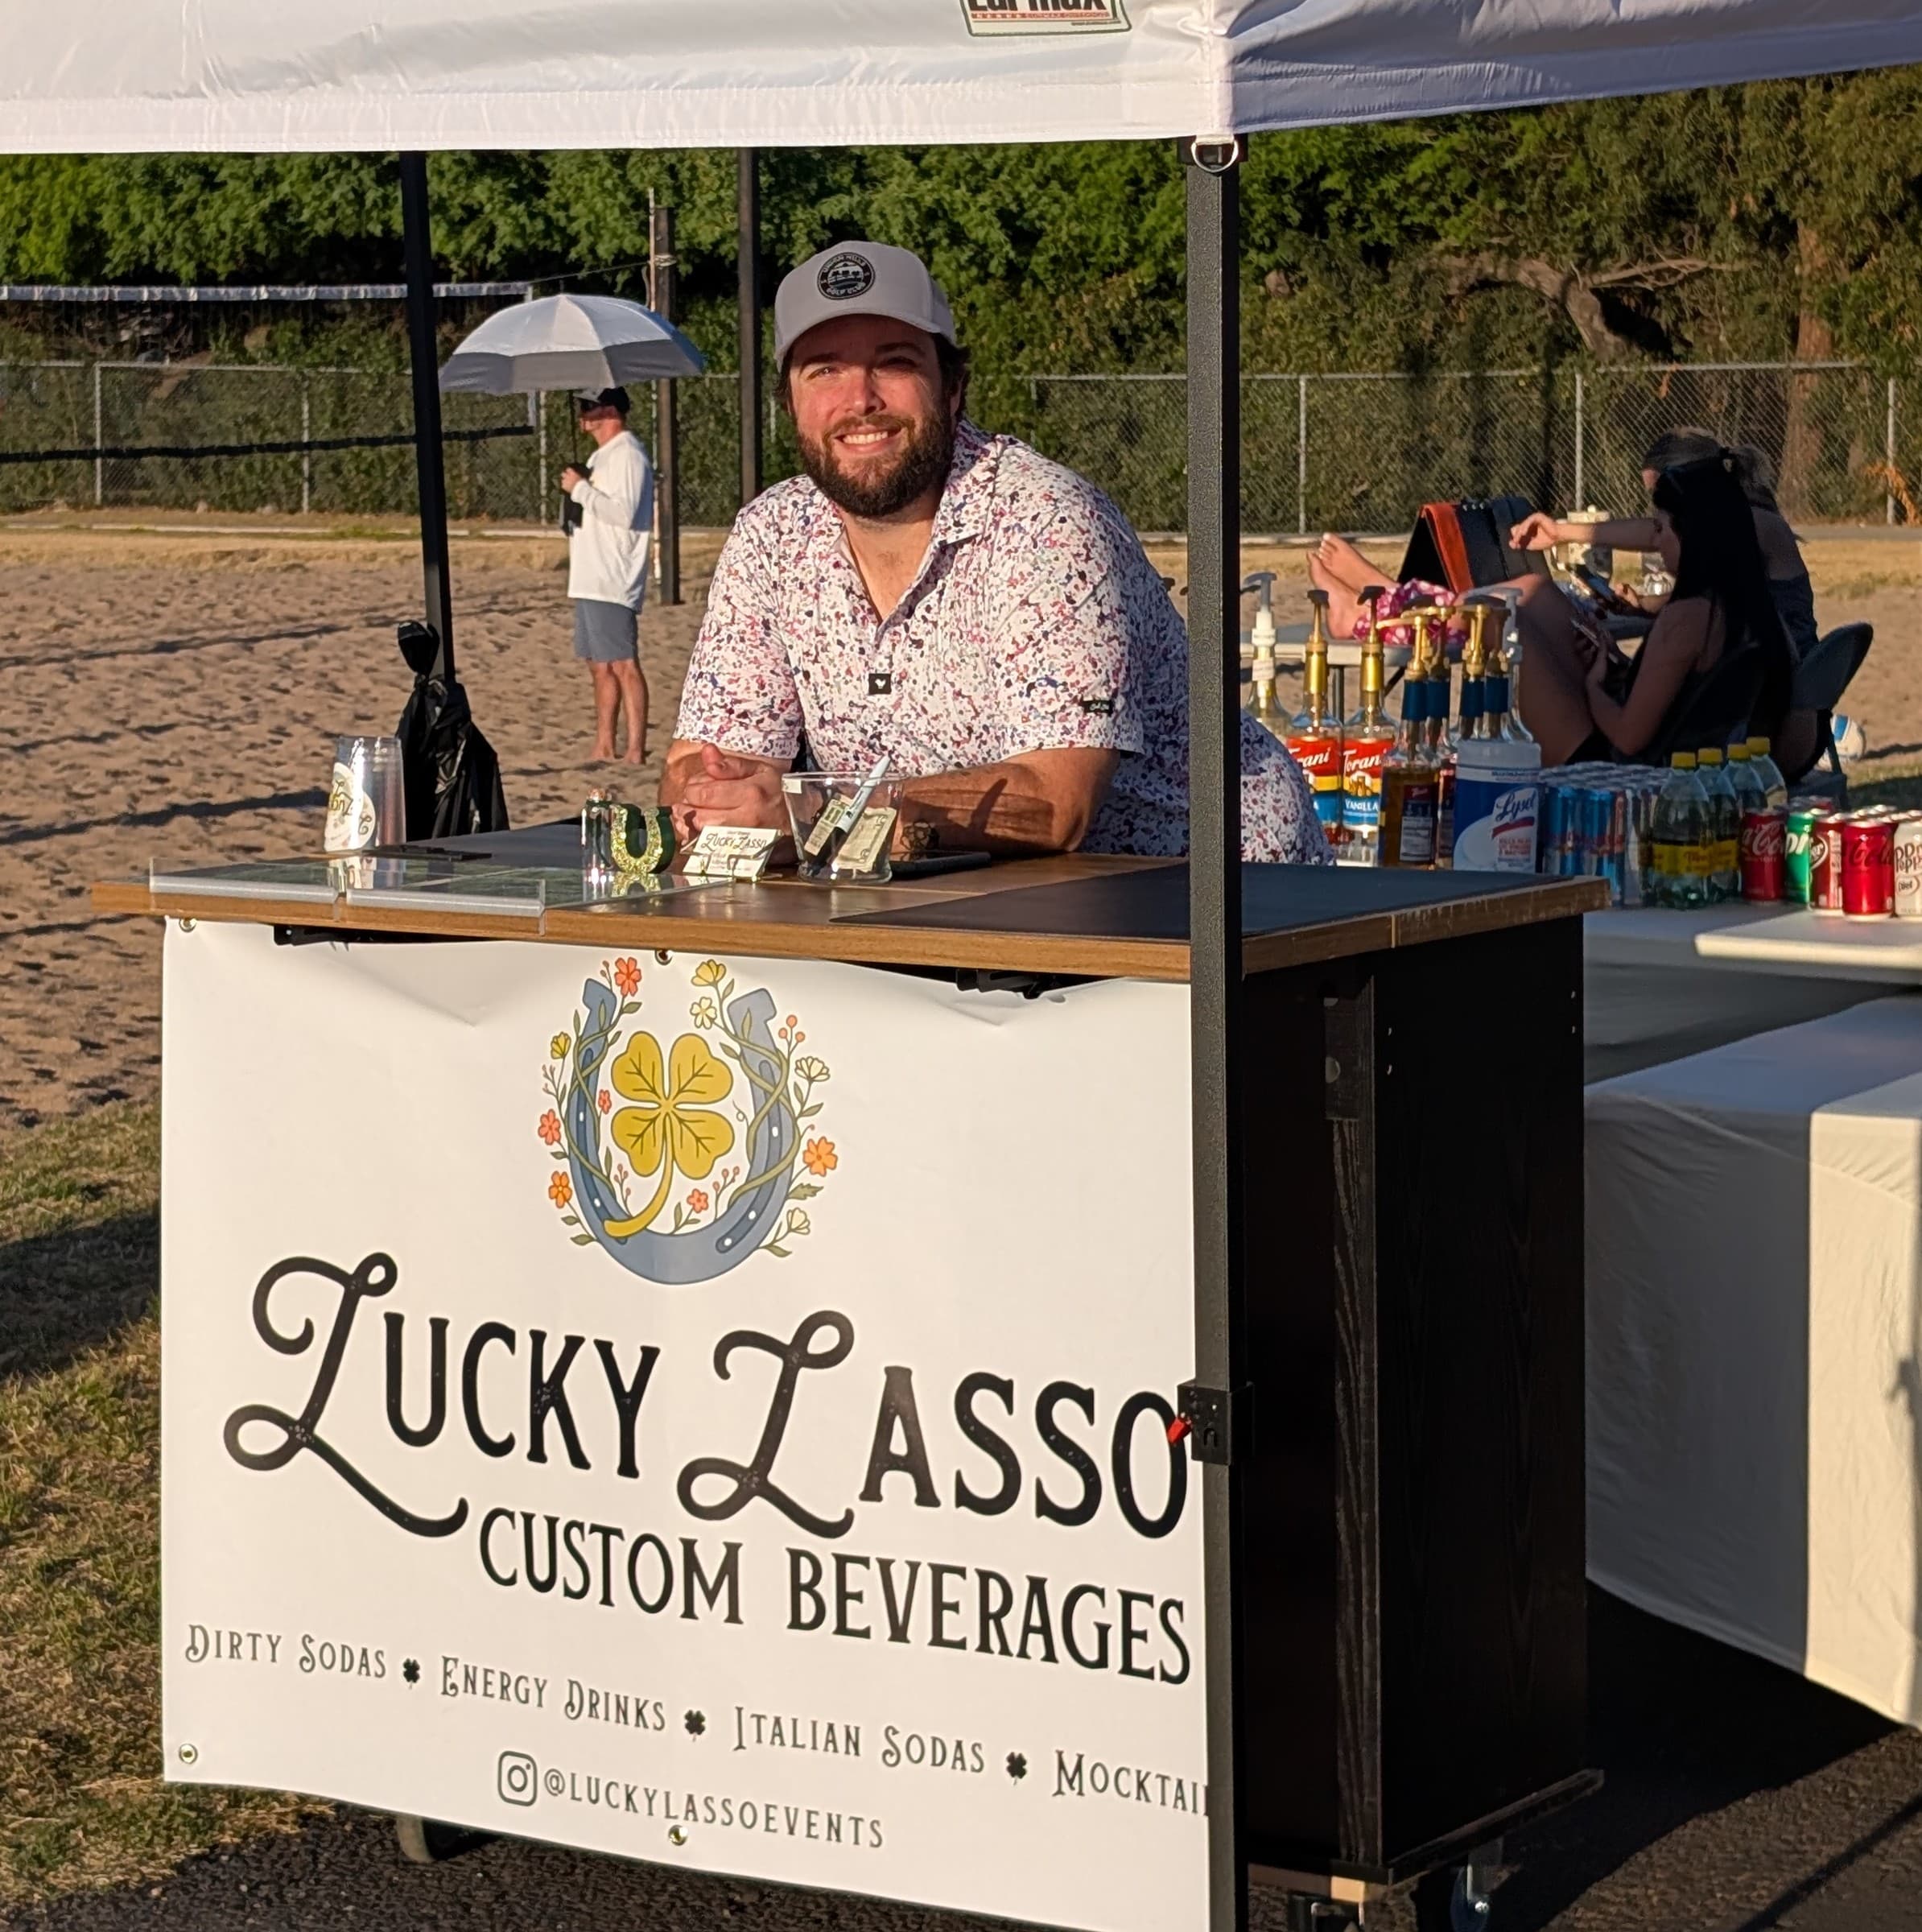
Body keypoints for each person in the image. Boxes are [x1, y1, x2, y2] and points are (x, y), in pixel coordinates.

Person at [662, 241, 1328, 863]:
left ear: (953, 388)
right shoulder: (772, 535)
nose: (860, 399)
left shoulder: (1044, 520)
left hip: (1218, 885)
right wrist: (716, 795)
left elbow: (1056, 804)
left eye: (895, 362)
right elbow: (702, 761)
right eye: (825, 370)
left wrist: (814, 820)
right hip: (974, 887)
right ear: (789, 403)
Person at [1528, 456, 1796, 764]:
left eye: (1659, 529)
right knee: (1533, 592)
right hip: (1715, 762)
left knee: (1515, 624)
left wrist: (1593, 685)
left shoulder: (1687, 618)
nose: (1655, 542)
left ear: (1690, 535)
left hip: (1648, 771)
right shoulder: (1752, 603)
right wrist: (1618, 663)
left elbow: (1628, 738)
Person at [1509, 428, 1819, 662]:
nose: (1658, 509)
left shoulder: (1751, 523)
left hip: (1776, 694)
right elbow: (1710, 592)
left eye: (1661, 494)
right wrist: (1644, 604)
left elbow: (1655, 537)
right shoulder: (1735, 520)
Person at [561, 386, 654, 765]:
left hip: (612, 578)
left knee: (623, 663)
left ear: (611, 411)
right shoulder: (601, 456)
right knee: (598, 665)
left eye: (590, 406)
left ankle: (635, 749)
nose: (583, 414)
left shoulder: (628, 455)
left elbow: (624, 513)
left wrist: (581, 489)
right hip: (589, 576)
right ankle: (604, 744)